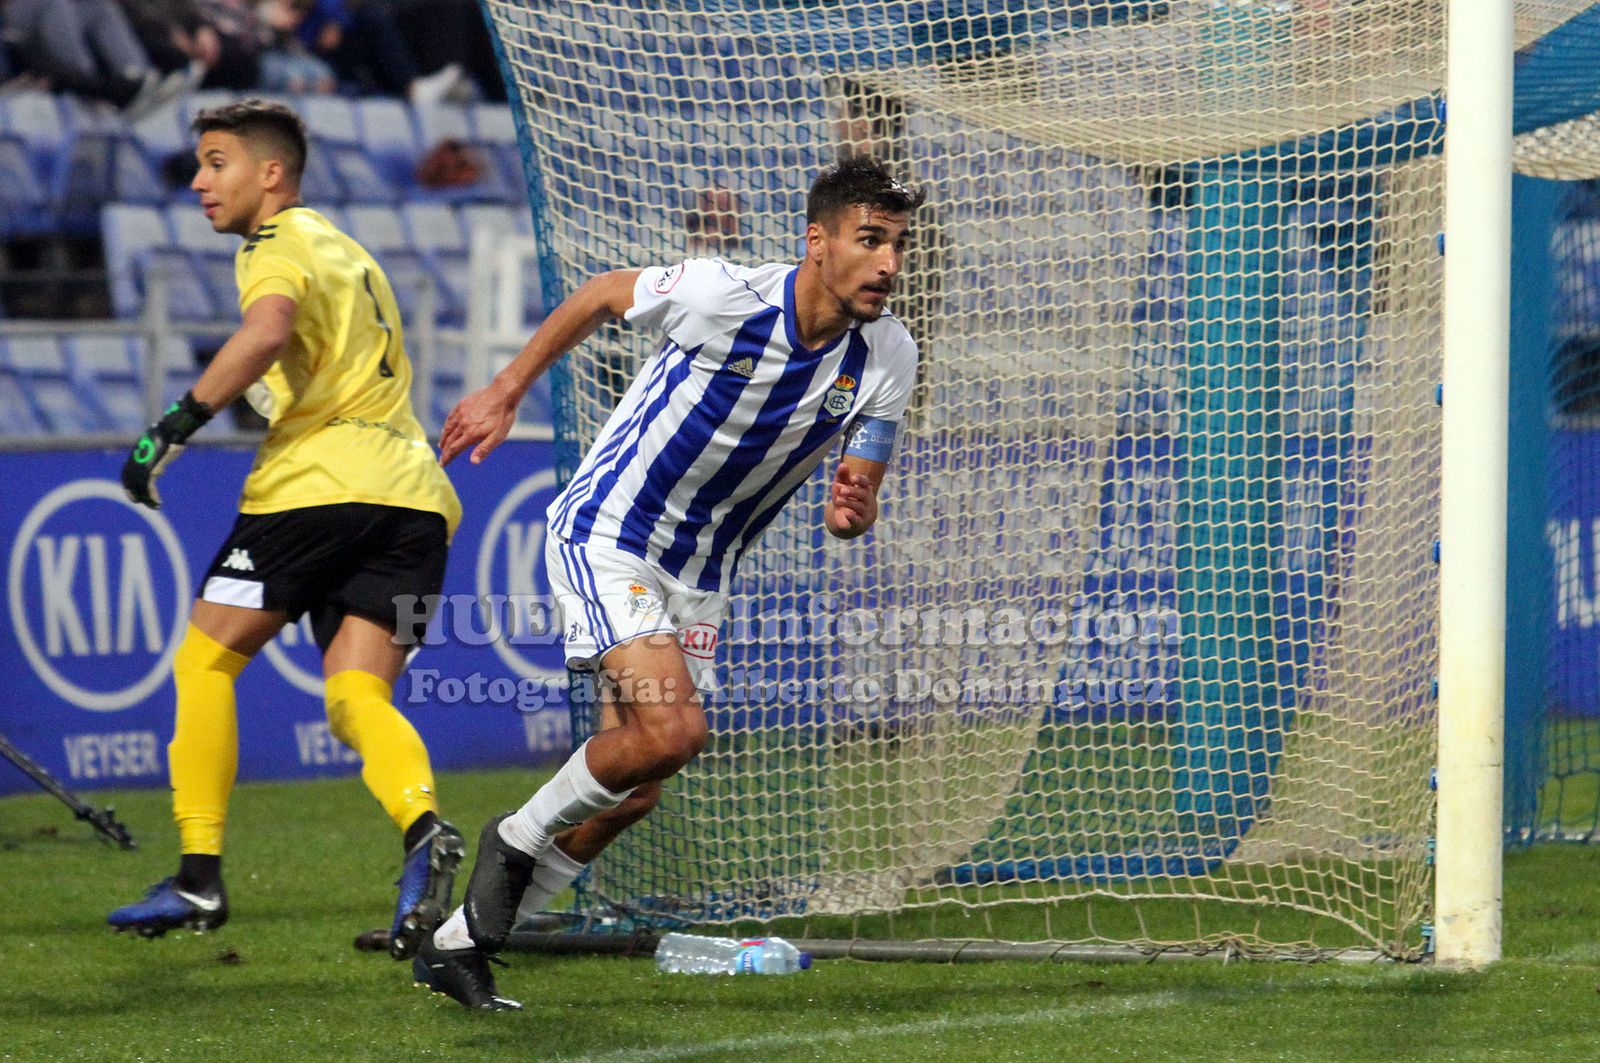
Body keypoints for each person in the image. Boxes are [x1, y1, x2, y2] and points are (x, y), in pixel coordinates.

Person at [410, 155, 926, 1010]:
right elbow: (603, 293)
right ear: (818, 240)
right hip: (612, 534)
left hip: (700, 573)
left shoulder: (889, 354)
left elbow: (858, 491)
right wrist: (506, 389)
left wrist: (854, 510)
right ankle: (516, 837)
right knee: (676, 728)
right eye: (869, 240)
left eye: (898, 245)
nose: (888, 264)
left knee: (638, 786)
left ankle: (465, 937)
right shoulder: (726, 295)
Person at [107, 98, 466, 964]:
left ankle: (198, 868)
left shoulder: (275, 247)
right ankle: (425, 831)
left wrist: (173, 426)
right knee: (356, 698)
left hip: (316, 490)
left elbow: (265, 331)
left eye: (216, 160)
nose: (199, 180)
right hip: (420, 504)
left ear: (271, 174)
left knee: (206, 659)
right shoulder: (351, 250)